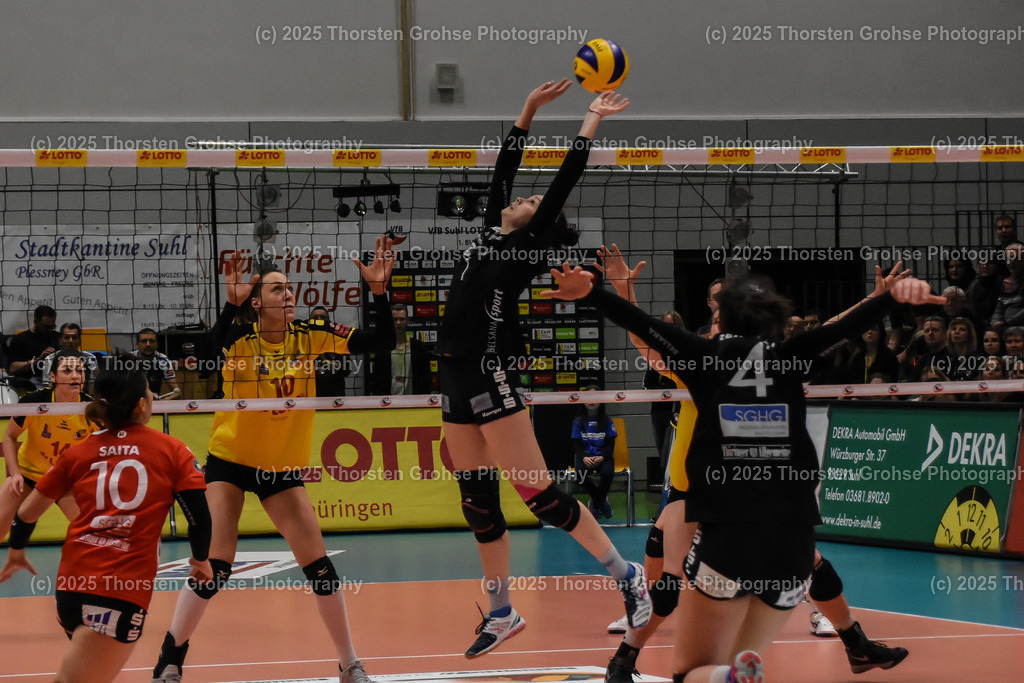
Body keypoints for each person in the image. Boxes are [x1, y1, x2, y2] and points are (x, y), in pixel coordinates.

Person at [542, 264, 936, 683]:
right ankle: (640, 658)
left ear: (722, 319)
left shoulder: (700, 355)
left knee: (694, 663)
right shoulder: (790, 356)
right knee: (756, 590)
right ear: (777, 321)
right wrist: (890, 298)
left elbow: (642, 326)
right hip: (790, 534)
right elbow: (841, 329)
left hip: (724, 526)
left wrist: (592, 293)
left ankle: (716, 673)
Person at [433, 80, 648, 658]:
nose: (519, 198)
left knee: (542, 498)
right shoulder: (487, 236)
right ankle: (501, 612)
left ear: (537, 228)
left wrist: (589, 122)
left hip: (490, 374)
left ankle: (628, 577)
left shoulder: (524, 249)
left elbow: (562, 183)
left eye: (528, 205)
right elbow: (503, 173)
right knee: (477, 503)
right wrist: (526, 110)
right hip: (451, 376)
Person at [152, 241, 396, 683]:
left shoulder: (312, 336)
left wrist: (378, 292)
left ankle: (348, 663)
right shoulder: (241, 343)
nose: (288, 294)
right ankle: (171, 658)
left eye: (289, 288)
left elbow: (382, 342)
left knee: (320, 567)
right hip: (231, 461)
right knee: (215, 565)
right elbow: (208, 356)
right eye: (277, 289)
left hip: (281, 469)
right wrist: (230, 305)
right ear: (257, 301)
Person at [0, 365, 212, 683]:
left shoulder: (77, 452)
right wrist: (201, 558)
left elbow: (27, 513)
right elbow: (199, 516)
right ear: (142, 404)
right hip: (119, 590)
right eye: (150, 391)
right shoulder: (172, 450)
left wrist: (16, 550)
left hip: (69, 588)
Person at [0, 351, 93, 553]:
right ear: (53, 377)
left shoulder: (92, 409)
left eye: (80, 370)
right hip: (27, 475)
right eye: (67, 371)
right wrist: (14, 473)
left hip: (64, 480)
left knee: (91, 535)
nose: (75, 376)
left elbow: (103, 447)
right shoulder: (34, 402)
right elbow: (9, 437)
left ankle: (99, 580)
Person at [571, 386, 617, 519]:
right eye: (588, 398)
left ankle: (595, 504)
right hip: (586, 456)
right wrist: (584, 458)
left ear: (601, 401)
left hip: (603, 456)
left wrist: (602, 457)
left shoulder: (607, 421)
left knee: (608, 473)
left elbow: (610, 444)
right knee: (580, 475)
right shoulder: (579, 421)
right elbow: (576, 444)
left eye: (595, 398)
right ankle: (602, 501)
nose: (591, 402)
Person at [369, 303, 431, 395]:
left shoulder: (419, 347)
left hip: (414, 404)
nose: (398, 323)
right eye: (395, 319)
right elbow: (376, 381)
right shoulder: (382, 349)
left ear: (407, 321)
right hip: (388, 404)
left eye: (401, 319)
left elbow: (426, 379)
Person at [6, 304, 60, 390]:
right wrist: (38, 360)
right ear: (35, 322)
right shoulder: (20, 339)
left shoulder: (58, 338)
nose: (49, 330)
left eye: (52, 327)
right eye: (46, 327)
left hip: (55, 381)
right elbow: (12, 369)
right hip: (29, 384)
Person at [41, 323, 100, 392]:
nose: (71, 341)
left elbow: (92, 385)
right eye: (67, 337)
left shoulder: (90, 358)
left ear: (79, 341)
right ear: (60, 341)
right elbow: (48, 386)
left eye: (74, 337)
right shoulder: (50, 359)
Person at [131, 328, 182, 399]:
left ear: (157, 344)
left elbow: (177, 392)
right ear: (137, 344)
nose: (148, 344)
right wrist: (146, 394)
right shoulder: (128, 359)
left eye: (152, 341)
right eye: (144, 341)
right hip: (132, 403)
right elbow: (119, 391)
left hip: (154, 404)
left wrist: (165, 400)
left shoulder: (163, 360)